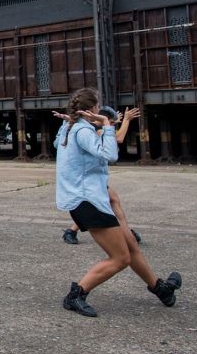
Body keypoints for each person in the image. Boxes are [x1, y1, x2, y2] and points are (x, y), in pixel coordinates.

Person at [55, 88, 182, 317]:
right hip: (88, 200)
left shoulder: (71, 126)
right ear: (92, 108)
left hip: (93, 196)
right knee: (121, 258)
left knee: (130, 244)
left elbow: (60, 144)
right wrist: (108, 126)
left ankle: (160, 289)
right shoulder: (82, 130)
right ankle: (76, 295)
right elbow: (110, 154)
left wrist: (77, 123)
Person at [60, 107, 143, 246]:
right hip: (90, 177)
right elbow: (119, 139)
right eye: (110, 122)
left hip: (94, 175)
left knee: (112, 200)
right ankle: (125, 231)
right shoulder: (92, 128)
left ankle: (73, 230)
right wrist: (126, 121)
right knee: (103, 203)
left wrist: (113, 123)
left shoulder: (94, 128)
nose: (111, 125)